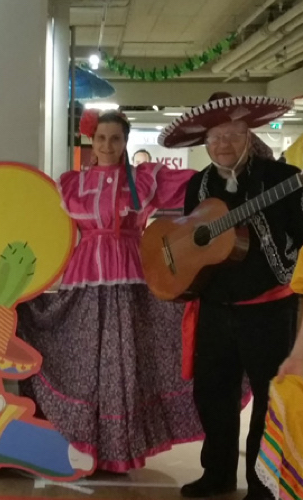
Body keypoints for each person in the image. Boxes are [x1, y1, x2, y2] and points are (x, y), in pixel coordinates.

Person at [16, 109, 202, 473]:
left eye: (115, 138)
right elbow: (45, 225)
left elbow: (195, 182)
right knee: (85, 359)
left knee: (128, 362)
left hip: (133, 276)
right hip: (84, 275)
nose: (107, 145)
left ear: (125, 142)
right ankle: (85, 446)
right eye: (101, 138)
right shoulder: (70, 183)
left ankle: (119, 449)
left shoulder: (144, 179)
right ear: (91, 140)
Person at [156, 92, 303, 500]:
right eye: (216, 137)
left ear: (248, 136)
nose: (224, 144)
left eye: (233, 135)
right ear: (206, 142)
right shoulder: (198, 183)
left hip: (269, 307)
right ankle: (217, 473)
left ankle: (261, 480)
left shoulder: (282, 179)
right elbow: (187, 237)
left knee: (266, 395)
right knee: (212, 392)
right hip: (215, 308)